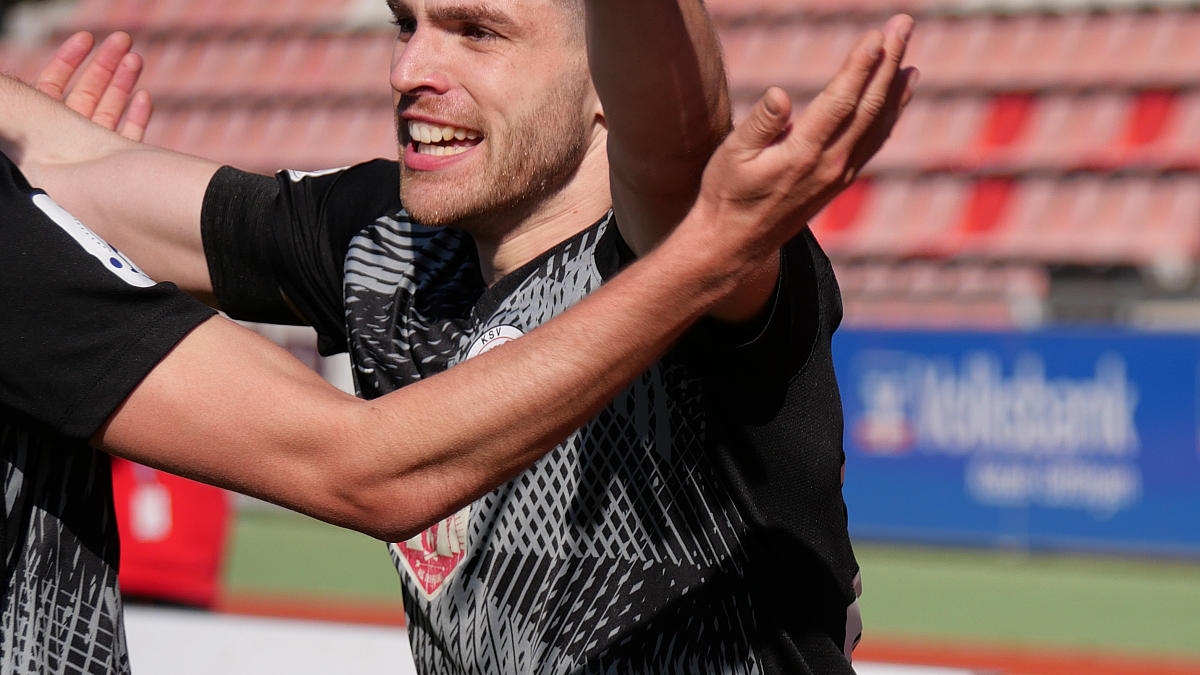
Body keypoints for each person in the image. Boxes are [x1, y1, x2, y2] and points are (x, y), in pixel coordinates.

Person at [4, 0, 917, 671]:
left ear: (607, 82)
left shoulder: (692, 249)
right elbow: (77, 164)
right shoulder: (384, 241)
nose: (409, 70)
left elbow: (679, 136)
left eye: (478, 32)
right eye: (406, 24)